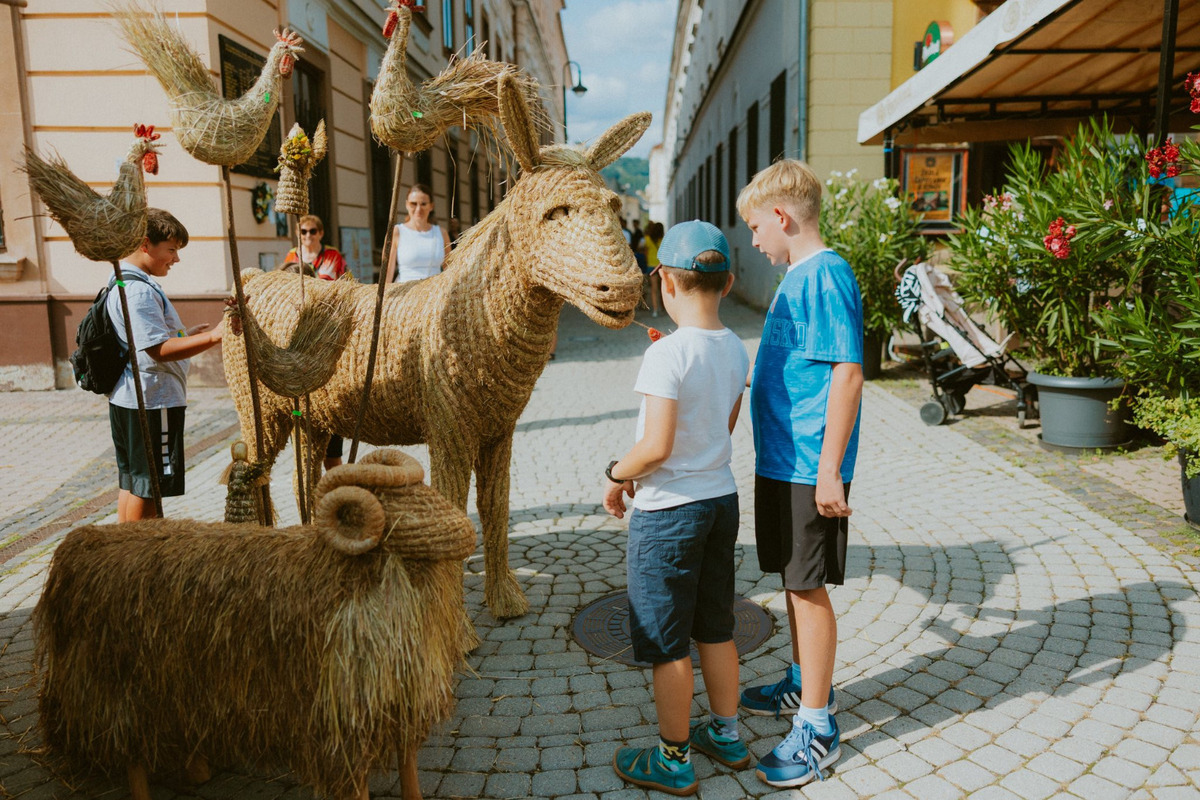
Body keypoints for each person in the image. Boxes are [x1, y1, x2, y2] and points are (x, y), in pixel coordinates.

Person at [603, 220, 750, 796]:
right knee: (716, 627)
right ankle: (728, 734)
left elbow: (657, 448)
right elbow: (723, 426)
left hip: (667, 515)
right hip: (719, 501)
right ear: (729, 282)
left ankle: (673, 759)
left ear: (664, 281)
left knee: (668, 645)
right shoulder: (736, 347)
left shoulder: (666, 357)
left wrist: (616, 475)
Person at [736, 159, 864, 788]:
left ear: (781, 217)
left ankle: (817, 723)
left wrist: (831, 471)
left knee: (808, 588)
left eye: (756, 226)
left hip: (809, 466)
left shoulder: (827, 275)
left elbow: (848, 373)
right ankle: (800, 682)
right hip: (781, 463)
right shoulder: (796, 275)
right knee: (793, 579)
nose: (754, 239)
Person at [107, 209, 227, 522]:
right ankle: (137, 558)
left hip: (133, 397)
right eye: (171, 250)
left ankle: (126, 551)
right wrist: (215, 336)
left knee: (134, 480)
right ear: (146, 245)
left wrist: (187, 336)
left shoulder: (122, 281)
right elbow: (158, 350)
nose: (175, 259)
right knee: (149, 484)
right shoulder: (139, 291)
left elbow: (146, 339)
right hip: (152, 399)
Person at [386, 183, 452, 283]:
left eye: (423, 204)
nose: (418, 209)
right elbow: (387, 271)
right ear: (407, 204)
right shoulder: (397, 232)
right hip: (406, 294)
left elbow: (449, 269)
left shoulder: (442, 233)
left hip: (436, 294)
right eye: (413, 204)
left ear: (431, 206)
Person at [283, 214, 347, 281]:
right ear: (297, 233)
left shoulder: (333, 256)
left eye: (312, 231)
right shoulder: (291, 255)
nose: (308, 235)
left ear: (321, 233)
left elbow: (347, 280)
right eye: (303, 232)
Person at [643, 221, 664, 317]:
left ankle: (655, 310)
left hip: (651, 266)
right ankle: (663, 306)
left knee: (654, 289)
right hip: (661, 265)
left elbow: (646, 253)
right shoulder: (663, 240)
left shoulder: (647, 239)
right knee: (662, 287)